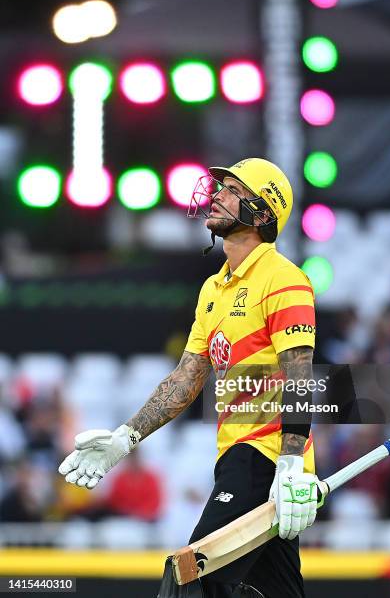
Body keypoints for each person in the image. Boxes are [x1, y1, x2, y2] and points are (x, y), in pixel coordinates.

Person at [59, 158, 322, 598]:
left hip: (264, 460)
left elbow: (301, 375)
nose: (216, 194)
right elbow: (187, 377)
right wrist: (125, 438)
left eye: (233, 189)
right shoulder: (213, 289)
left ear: (261, 212)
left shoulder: (284, 279)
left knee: (191, 575)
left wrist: (292, 464)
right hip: (238, 459)